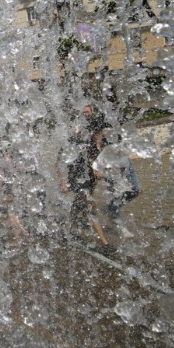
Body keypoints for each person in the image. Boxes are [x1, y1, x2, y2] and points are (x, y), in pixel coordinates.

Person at [61, 104, 112, 253]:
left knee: (78, 205)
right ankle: (105, 243)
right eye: (83, 113)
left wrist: (98, 170)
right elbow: (58, 161)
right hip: (77, 177)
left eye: (88, 112)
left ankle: (69, 231)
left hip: (89, 177)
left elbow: (96, 155)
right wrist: (63, 181)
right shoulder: (71, 139)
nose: (86, 115)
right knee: (91, 207)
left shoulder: (93, 134)